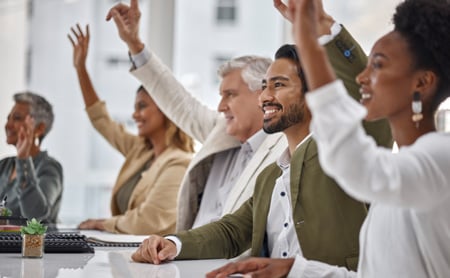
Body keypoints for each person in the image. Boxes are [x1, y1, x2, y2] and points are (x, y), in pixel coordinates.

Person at [128, 0, 394, 268]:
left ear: (313, 92)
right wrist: (173, 244)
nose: (265, 96)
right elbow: (231, 231)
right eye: (264, 86)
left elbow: (370, 102)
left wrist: (322, 26)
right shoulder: (269, 177)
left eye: (278, 85)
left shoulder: (342, 152)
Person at [209, 0, 450, 277]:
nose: (362, 77)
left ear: (422, 83)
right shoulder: (402, 176)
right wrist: (295, 269)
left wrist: (309, 44)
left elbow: (355, 164)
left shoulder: (442, 159)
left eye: (378, 66)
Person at [106, 0, 289, 233]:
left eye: (230, 95)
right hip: (186, 259)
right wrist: (135, 44)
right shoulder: (221, 131)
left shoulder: (284, 148)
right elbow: (180, 103)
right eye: (221, 95)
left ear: (262, 95)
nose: (221, 106)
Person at [68, 24, 194, 235]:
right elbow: (101, 120)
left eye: (142, 107)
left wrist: (102, 224)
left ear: (165, 110)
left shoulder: (179, 162)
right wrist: (80, 69)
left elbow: (147, 222)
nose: (135, 115)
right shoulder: (140, 151)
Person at [0, 92, 63, 224]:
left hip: (32, 245)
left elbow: (36, 215)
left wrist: (23, 159)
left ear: (39, 128)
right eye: (8, 118)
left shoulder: (49, 168)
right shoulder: (4, 165)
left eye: (16, 118)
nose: (8, 125)